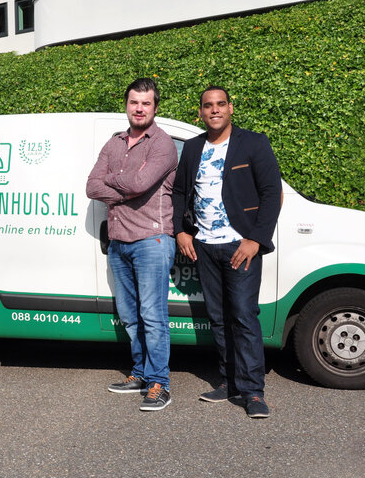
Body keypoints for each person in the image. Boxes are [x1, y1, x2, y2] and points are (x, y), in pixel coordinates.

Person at [172, 86, 282, 418]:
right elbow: (180, 192)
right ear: (201, 112)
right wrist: (180, 231)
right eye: (208, 105)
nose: (215, 110)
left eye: (221, 104)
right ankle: (230, 381)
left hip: (240, 246)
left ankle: (253, 392)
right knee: (218, 318)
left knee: (244, 316)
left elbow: (272, 192)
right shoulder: (193, 148)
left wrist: (255, 239)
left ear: (231, 108)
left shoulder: (253, 143)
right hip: (204, 246)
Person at [86, 78, 178, 411]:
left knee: (153, 316)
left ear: (155, 107)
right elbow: (91, 187)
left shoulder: (162, 144)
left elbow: (140, 182)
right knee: (130, 316)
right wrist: (124, 186)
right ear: (126, 104)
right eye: (134, 102)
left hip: (152, 241)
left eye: (146, 103)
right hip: (119, 242)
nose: (139, 109)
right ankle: (140, 373)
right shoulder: (114, 144)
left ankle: (159, 383)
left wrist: (112, 180)